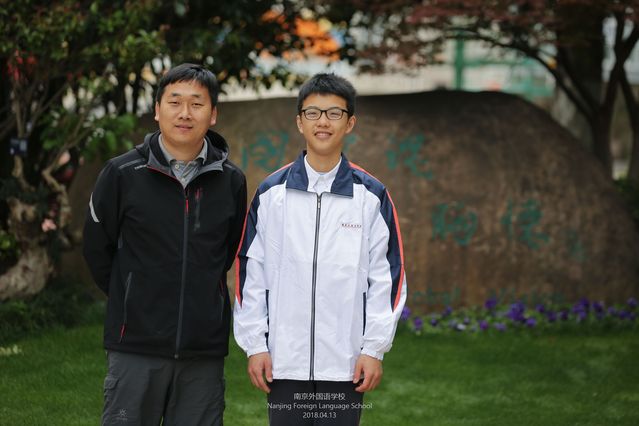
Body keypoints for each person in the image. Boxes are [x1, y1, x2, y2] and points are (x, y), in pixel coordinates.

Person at [233, 73, 407, 425]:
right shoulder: (272, 194)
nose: (323, 122)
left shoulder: (370, 197)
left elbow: (387, 278)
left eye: (334, 113)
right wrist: (256, 344)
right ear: (300, 122)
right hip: (284, 361)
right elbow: (251, 273)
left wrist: (373, 349)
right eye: (312, 113)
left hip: (345, 363)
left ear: (350, 123)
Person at [83, 63, 246, 425]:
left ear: (213, 114)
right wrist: (132, 296)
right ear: (157, 110)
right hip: (135, 345)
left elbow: (226, 251)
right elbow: (97, 249)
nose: (185, 113)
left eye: (197, 104)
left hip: (202, 350)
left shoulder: (231, 180)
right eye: (174, 102)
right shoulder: (122, 173)